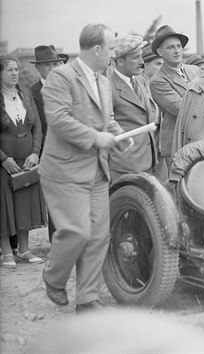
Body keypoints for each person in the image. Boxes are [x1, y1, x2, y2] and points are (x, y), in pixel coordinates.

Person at [39, 23, 129, 312]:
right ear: (97, 49)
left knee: (99, 235)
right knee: (77, 231)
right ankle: (54, 277)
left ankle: (88, 299)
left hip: (97, 171)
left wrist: (117, 136)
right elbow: (59, 119)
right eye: (112, 48)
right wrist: (96, 138)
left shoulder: (103, 80)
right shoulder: (60, 77)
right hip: (65, 171)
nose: (114, 55)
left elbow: (107, 118)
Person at [0, 56, 46, 268]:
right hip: (5, 163)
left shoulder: (25, 93)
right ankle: (6, 251)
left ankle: (24, 249)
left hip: (27, 161)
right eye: (9, 69)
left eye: (16, 69)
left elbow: (37, 126)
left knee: (23, 203)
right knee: (5, 205)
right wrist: (4, 159)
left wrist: (35, 152)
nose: (14, 73)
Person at [149, 25, 201, 180]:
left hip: (200, 139)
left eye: (179, 46)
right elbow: (182, 109)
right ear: (160, 52)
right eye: (171, 47)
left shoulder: (195, 70)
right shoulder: (158, 81)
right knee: (181, 191)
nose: (177, 51)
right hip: (177, 144)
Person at [30, 45, 68, 243]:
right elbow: (36, 126)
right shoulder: (32, 93)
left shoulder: (68, 86)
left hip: (73, 151)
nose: (52, 68)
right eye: (47, 65)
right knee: (55, 200)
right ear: (38, 68)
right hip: (49, 152)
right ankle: (57, 242)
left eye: (55, 63)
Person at [109, 34, 158, 182]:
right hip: (125, 166)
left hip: (148, 161)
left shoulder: (140, 82)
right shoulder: (108, 86)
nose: (142, 62)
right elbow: (107, 122)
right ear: (120, 61)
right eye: (136, 57)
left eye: (141, 57)